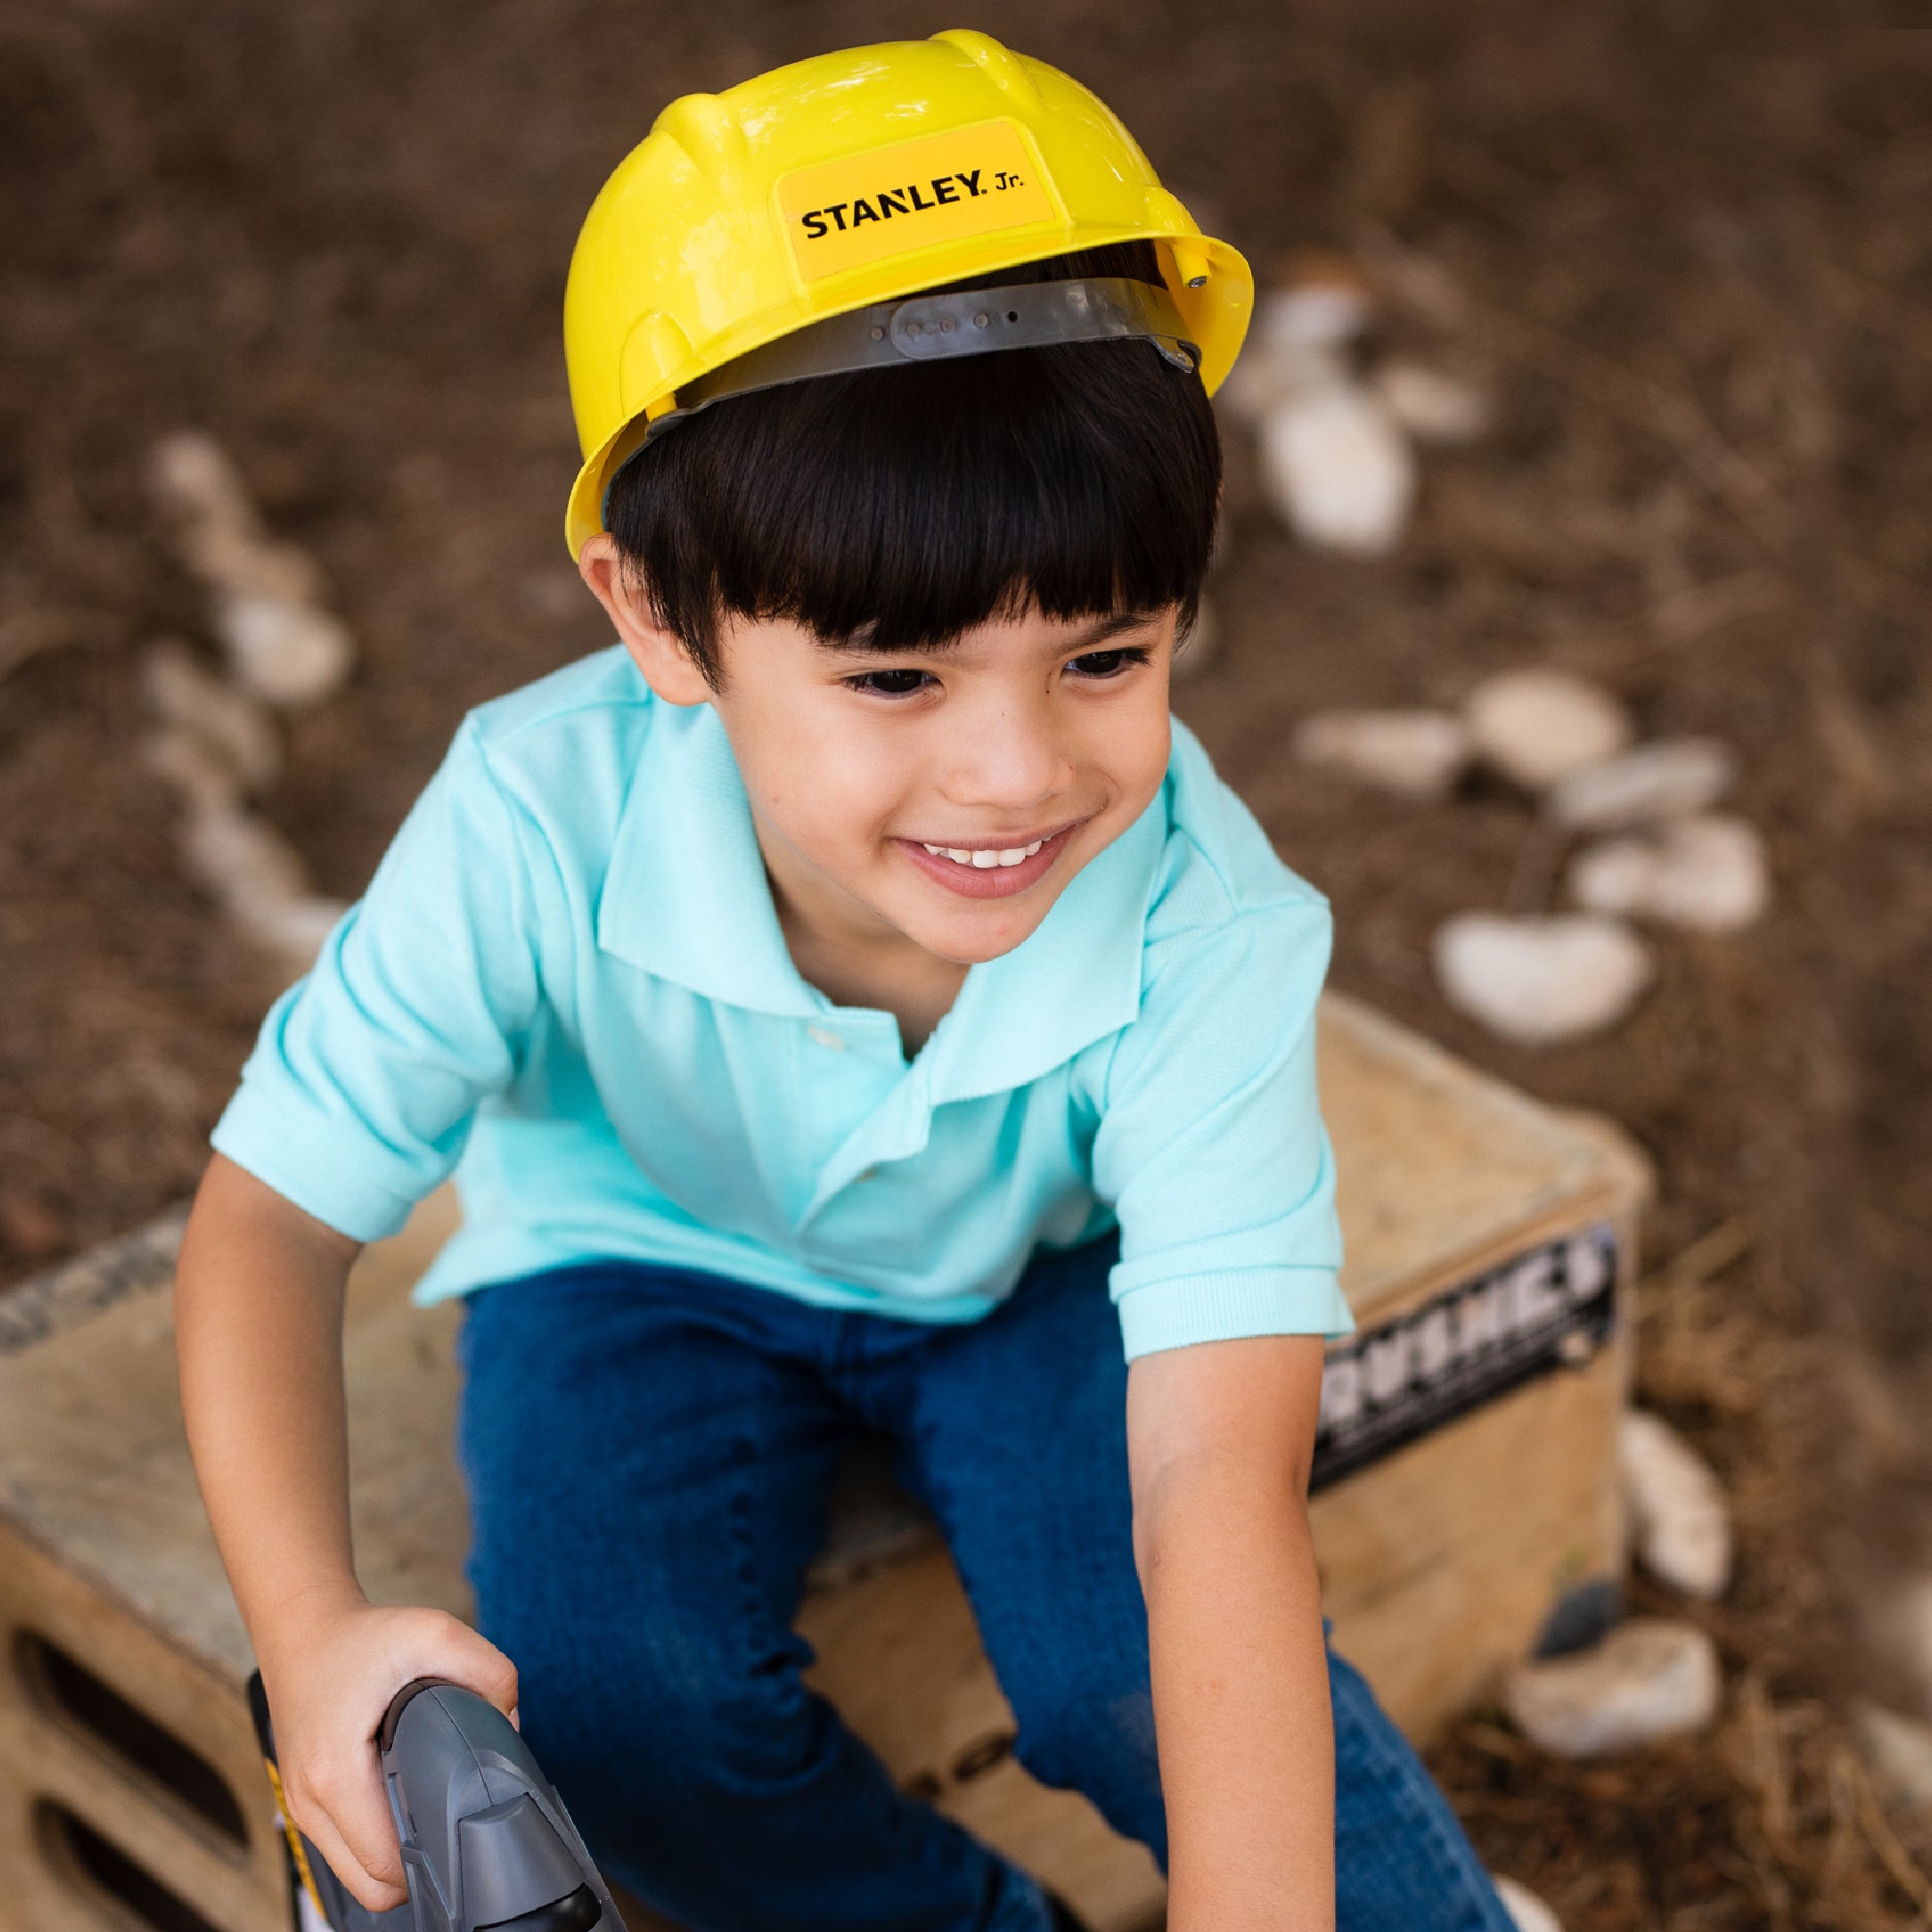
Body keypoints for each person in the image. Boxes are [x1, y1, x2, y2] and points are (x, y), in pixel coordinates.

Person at [175, 32, 1515, 1932]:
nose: (1013, 770)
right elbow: (265, 1225)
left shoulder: (1205, 923)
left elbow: (1217, 1483)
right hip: (635, 1260)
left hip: (1027, 1270)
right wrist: (307, 1635)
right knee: (626, 1716)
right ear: (654, 611)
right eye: (897, 678)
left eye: (1106, 654)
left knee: (1136, 1663)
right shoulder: (531, 821)